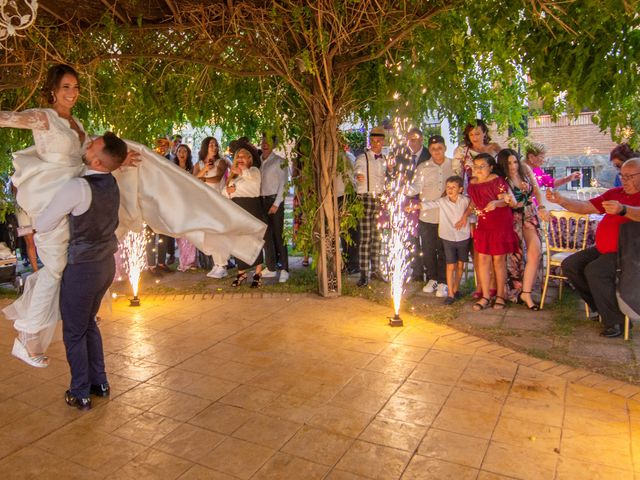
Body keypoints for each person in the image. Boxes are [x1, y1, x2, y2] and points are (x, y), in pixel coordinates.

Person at [1, 64, 267, 367]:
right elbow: (6, 118)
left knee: (74, 260)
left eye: (75, 87)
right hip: (54, 195)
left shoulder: (77, 122)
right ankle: (28, 337)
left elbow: (92, 152)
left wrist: (121, 158)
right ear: (52, 90)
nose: (72, 93)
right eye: (65, 87)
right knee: (55, 267)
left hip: (80, 197)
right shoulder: (42, 117)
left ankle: (70, 319)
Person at [34, 132, 126, 409]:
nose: (88, 145)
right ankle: (100, 382)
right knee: (88, 323)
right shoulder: (111, 182)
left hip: (83, 268)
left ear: (98, 161)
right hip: (106, 266)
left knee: (74, 330)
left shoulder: (78, 187)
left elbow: (45, 222)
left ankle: (80, 391)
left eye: (93, 146)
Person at [546, 158, 640, 337]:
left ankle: (616, 323)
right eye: (622, 176)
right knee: (571, 265)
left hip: (628, 252)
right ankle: (604, 309)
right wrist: (562, 200)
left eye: (629, 177)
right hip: (604, 248)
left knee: (595, 271)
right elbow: (586, 206)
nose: (624, 180)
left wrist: (623, 210)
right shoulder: (615, 192)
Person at [452, 119, 501, 299]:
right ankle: (480, 285)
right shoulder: (462, 152)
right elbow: (457, 175)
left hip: (493, 200)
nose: (475, 137)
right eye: (471, 134)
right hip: (472, 199)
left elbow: (501, 172)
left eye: (478, 133)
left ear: (484, 133)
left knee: (494, 246)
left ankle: (496, 285)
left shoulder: (494, 149)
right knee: (477, 246)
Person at [465, 153, 519, 311]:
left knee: (498, 260)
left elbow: (507, 201)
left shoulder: (497, 181)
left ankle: (501, 295)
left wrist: (496, 202)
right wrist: (466, 217)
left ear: (490, 167)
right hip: (483, 224)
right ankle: (486, 295)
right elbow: (474, 202)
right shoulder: (472, 183)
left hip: (499, 223)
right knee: (482, 259)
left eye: (482, 166)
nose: (478, 169)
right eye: (476, 166)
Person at [496, 148, 547, 309]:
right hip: (513, 218)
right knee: (515, 257)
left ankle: (527, 292)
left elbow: (537, 191)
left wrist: (542, 207)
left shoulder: (525, 170)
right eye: (509, 163)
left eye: (515, 161)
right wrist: (511, 199)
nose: (513, 166)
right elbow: (508, 201)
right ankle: (516, 290)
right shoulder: (501, 180)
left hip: (529, 214)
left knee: (535, 251)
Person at [406, 134, 454, 297]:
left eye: (439, 148)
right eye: (433, 149)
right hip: (427, 215)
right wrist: (401, 189)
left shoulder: (454, 165)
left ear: (444, 148)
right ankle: (432, 278)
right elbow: (415, 187)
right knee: (428, 249)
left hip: (447, 216)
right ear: (430, 150)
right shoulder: (423, 167)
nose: (436, 152)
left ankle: (443, 281)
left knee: (444, 249)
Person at [416, 176, 471, 305]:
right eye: (448, 187)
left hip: (462, 236)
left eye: (453, 187)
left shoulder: (465, 201)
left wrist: (467, 221)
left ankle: (456, 288)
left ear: (461, 189)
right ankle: (450, 293)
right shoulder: (442, 201)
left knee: (460, 265)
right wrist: (415, 206)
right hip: (448, 237)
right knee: (450, 264)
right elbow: (428, 205)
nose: (450, 190)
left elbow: (472, 210)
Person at [223, 143, 266, 288]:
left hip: (252, 208)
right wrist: (229, 191)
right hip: (237, 210)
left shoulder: (253, 171)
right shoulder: (234, 176)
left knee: (254, 240)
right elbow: (224, 191)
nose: (240, 158)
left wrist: (241, 174)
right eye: (238, 156)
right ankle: (241, 273)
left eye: (243, 156)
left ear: (249, 159)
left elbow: (253, 188)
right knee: (238, 242)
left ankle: (258, 273)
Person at [395, 128, 430, 282]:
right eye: (409, 139)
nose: (411, 143)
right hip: (408, 201)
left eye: (414, 139)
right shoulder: (402, 156)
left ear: (422, 139)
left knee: (427, 237)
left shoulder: (429, 155)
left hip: (426, 200)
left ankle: (430, 272)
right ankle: (416, 270)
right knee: (411, 237)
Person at [354, 126, 387, 287]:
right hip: (366, 198)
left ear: (383, 141)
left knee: (377, 237)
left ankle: (376, 270)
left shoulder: (385, 159)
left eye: (379, 140)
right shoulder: (362, 158)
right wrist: (358, 175)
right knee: (366, 238)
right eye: (373, 140)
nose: (376, 143)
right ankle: (363, 274)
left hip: (380, 199)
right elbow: (358, 171)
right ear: (370, 141)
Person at [259, 133, 289, 283]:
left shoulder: (280, 161)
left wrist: (276, 203)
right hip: (261, 201)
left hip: (274, 201)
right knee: (266, 236)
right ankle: (270, 267)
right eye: (263, 141)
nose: (265, 144)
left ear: (274, 145)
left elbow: (284, 185)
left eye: (268, 142)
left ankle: (284, 268)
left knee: (278, 235)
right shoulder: (258, 161)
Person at [173, 144, 198, 272]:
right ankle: (184, 261)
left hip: (190, 202)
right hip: (177, 203)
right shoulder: (171, 168)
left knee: (191, 231)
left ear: (188, 154)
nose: (182, 153)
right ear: (176, 154)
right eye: (179, 151)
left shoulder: (192, 168)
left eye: (184, 151)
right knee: (181, 233)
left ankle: (192, 261)